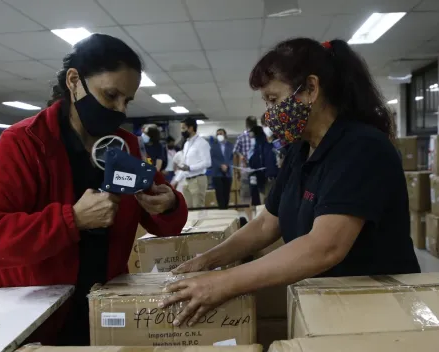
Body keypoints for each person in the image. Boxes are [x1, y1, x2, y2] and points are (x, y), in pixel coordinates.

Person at [158, 38, 420, 327]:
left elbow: (326, 246)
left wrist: (222, 283)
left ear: (310, 89)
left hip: (380, 306)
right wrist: (207, 261)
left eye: (273, 99)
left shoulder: (361, 147)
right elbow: (266, 224)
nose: (269, 114)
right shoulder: (300, 149)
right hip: (332, 300)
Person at [0, 34, 187, 345]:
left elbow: (169, 222)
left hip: (105, 311)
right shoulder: (24, 144)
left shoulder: (124, 145)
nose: (119, 110)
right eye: (110, 95)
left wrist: (168, 205)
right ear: (75, 81)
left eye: (127, 100)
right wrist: (71, 219)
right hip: (35, 319)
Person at [178, 117, 211, 208]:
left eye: (183, 128)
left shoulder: (202, 143)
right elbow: (185, 162)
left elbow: (207, 162)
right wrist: (176, 180)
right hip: (186, 180)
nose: (182, 131)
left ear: (191, 128)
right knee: (188, 210)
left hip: (197, 180)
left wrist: (190, 168)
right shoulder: (186, 144)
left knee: (198, 209)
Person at [234, 116, 258, 205]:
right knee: (259, 193)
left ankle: (251, 217)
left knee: (246, 195)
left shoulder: (241, 137)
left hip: (246, 169)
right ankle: (256, 214)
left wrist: (237, 171)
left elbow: (236, 153)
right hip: (256, 168)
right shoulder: (261, 136)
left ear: (246, 124)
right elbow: (236, 154)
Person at [210, 129, 234, 209]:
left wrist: (227, 165)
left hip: (228, 173)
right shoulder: (213, 146)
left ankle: (226, 208)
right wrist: (221, 165)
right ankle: (221, 209)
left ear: (225, 135)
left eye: (221, 133)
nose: (219, 135)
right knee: (219, 193)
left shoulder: (230, 146)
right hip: (217, 173)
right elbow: (213, 158)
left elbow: (231, 158)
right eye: (217, 134)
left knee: (226, 193)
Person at [261, 114, 280, 198]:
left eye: (268, 124)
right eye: (265, 125)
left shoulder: (281, 141)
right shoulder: (264, 144)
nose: (267, 127)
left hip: (281, 178)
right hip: (268, 179)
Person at [248, 125, 267, 206]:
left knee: (262, 193)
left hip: (260, 172)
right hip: (257, 171)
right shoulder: (257, 142)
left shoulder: (260, 142)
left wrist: (252, 165)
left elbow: (257, 157)